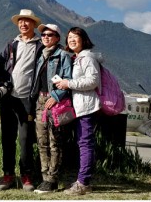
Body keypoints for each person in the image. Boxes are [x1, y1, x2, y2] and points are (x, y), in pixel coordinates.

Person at [0, 9, 43, 192]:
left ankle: (27, 176)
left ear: (34, 25)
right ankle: (8, 175)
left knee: (25, 139)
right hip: (8, 98)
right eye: (21, 21)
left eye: (27, 21)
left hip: (27, 99)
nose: (23, 24)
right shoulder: (11, 44)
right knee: (7, 138)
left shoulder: (40, 45)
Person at [54, 27, 101, 196]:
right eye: (69, 37)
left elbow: (93, 81)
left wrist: (69, 83)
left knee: (85, 144)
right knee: (82, 143)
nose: (72, 40)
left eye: (76, 37)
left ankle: (84, 183)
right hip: (81, 107)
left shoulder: (87, 57)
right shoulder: (78, 57)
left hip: (87, 107)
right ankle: (82, 179)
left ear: (84, 39)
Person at [29, 24, 72, 194]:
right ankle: (44, 176)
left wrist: (55, 96)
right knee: (42, 141)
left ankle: (52, 179)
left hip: (54, 101)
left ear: (57, 37)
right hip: (40, 101)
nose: (45, 37)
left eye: (50, 34)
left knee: (55, 141)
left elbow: (68, 79)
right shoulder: (41, 55)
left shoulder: (63, 56)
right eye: (43, 34)